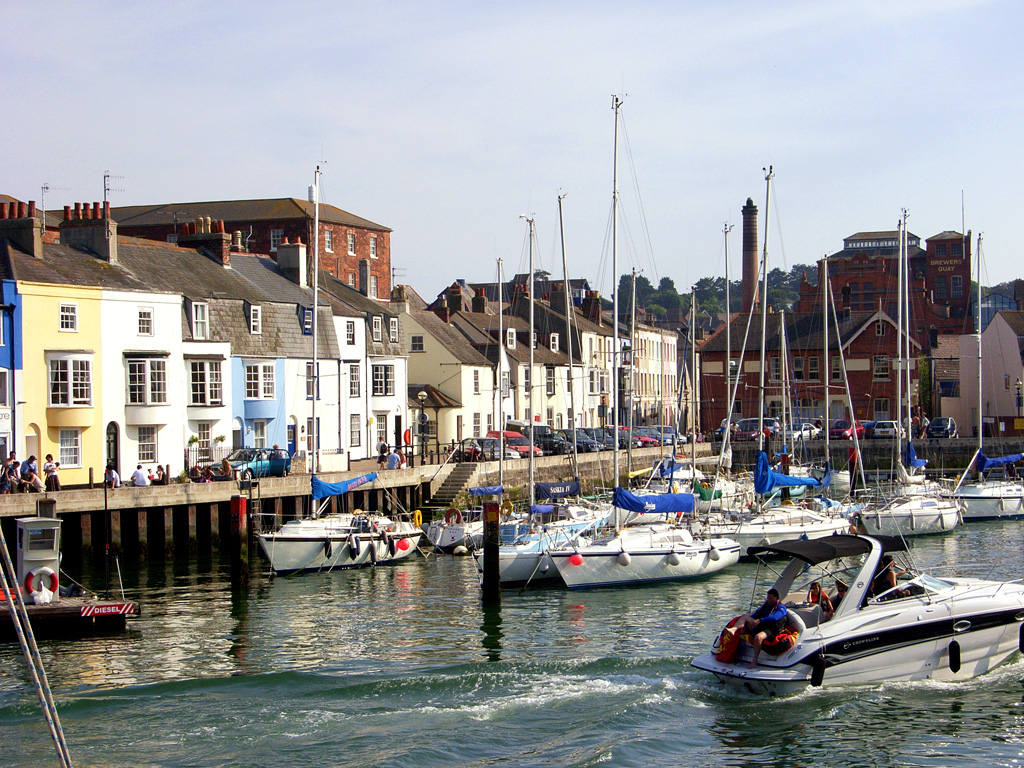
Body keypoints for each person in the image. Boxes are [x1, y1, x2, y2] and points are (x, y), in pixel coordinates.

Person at [722, 588, 788, 669]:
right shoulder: (766, 605)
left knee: (758, 637)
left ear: (776, 598)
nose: (769, 600)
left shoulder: (781, 607)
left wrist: (761, 620)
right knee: (745, 617)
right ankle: (733, 630)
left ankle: (754, 660)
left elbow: (775, 617)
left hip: (771, 629)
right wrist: (750, 621)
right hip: (762, 625)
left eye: (771, 598)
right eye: (768, 598)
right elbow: (755, 615)